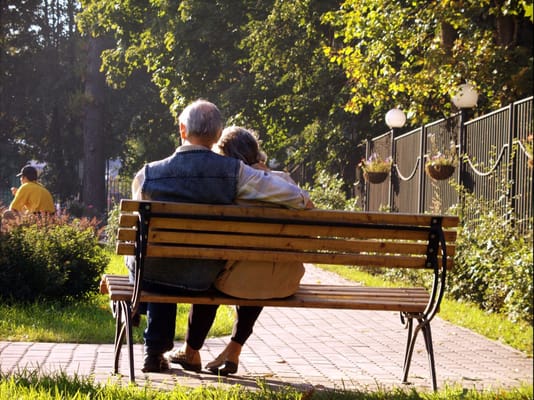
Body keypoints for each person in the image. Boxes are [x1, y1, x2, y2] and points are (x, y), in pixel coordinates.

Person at [128, 99, 313, 373]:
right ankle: (163, 348)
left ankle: (153, 349)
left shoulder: (148, 175)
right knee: (171, 259)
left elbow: (136, 227)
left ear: (182, 129)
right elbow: (299, 198)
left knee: (156, 255)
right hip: (203, 277)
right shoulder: (237, 173)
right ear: (218, 133)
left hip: (155, 275)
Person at [165, 126, 307, 376]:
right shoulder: (283, 182)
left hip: (234, 281)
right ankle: (234, 350)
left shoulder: (232, 185)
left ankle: (191, 350)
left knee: (213, 274)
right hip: (283, 281)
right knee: (260, 266)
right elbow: (309, 205)